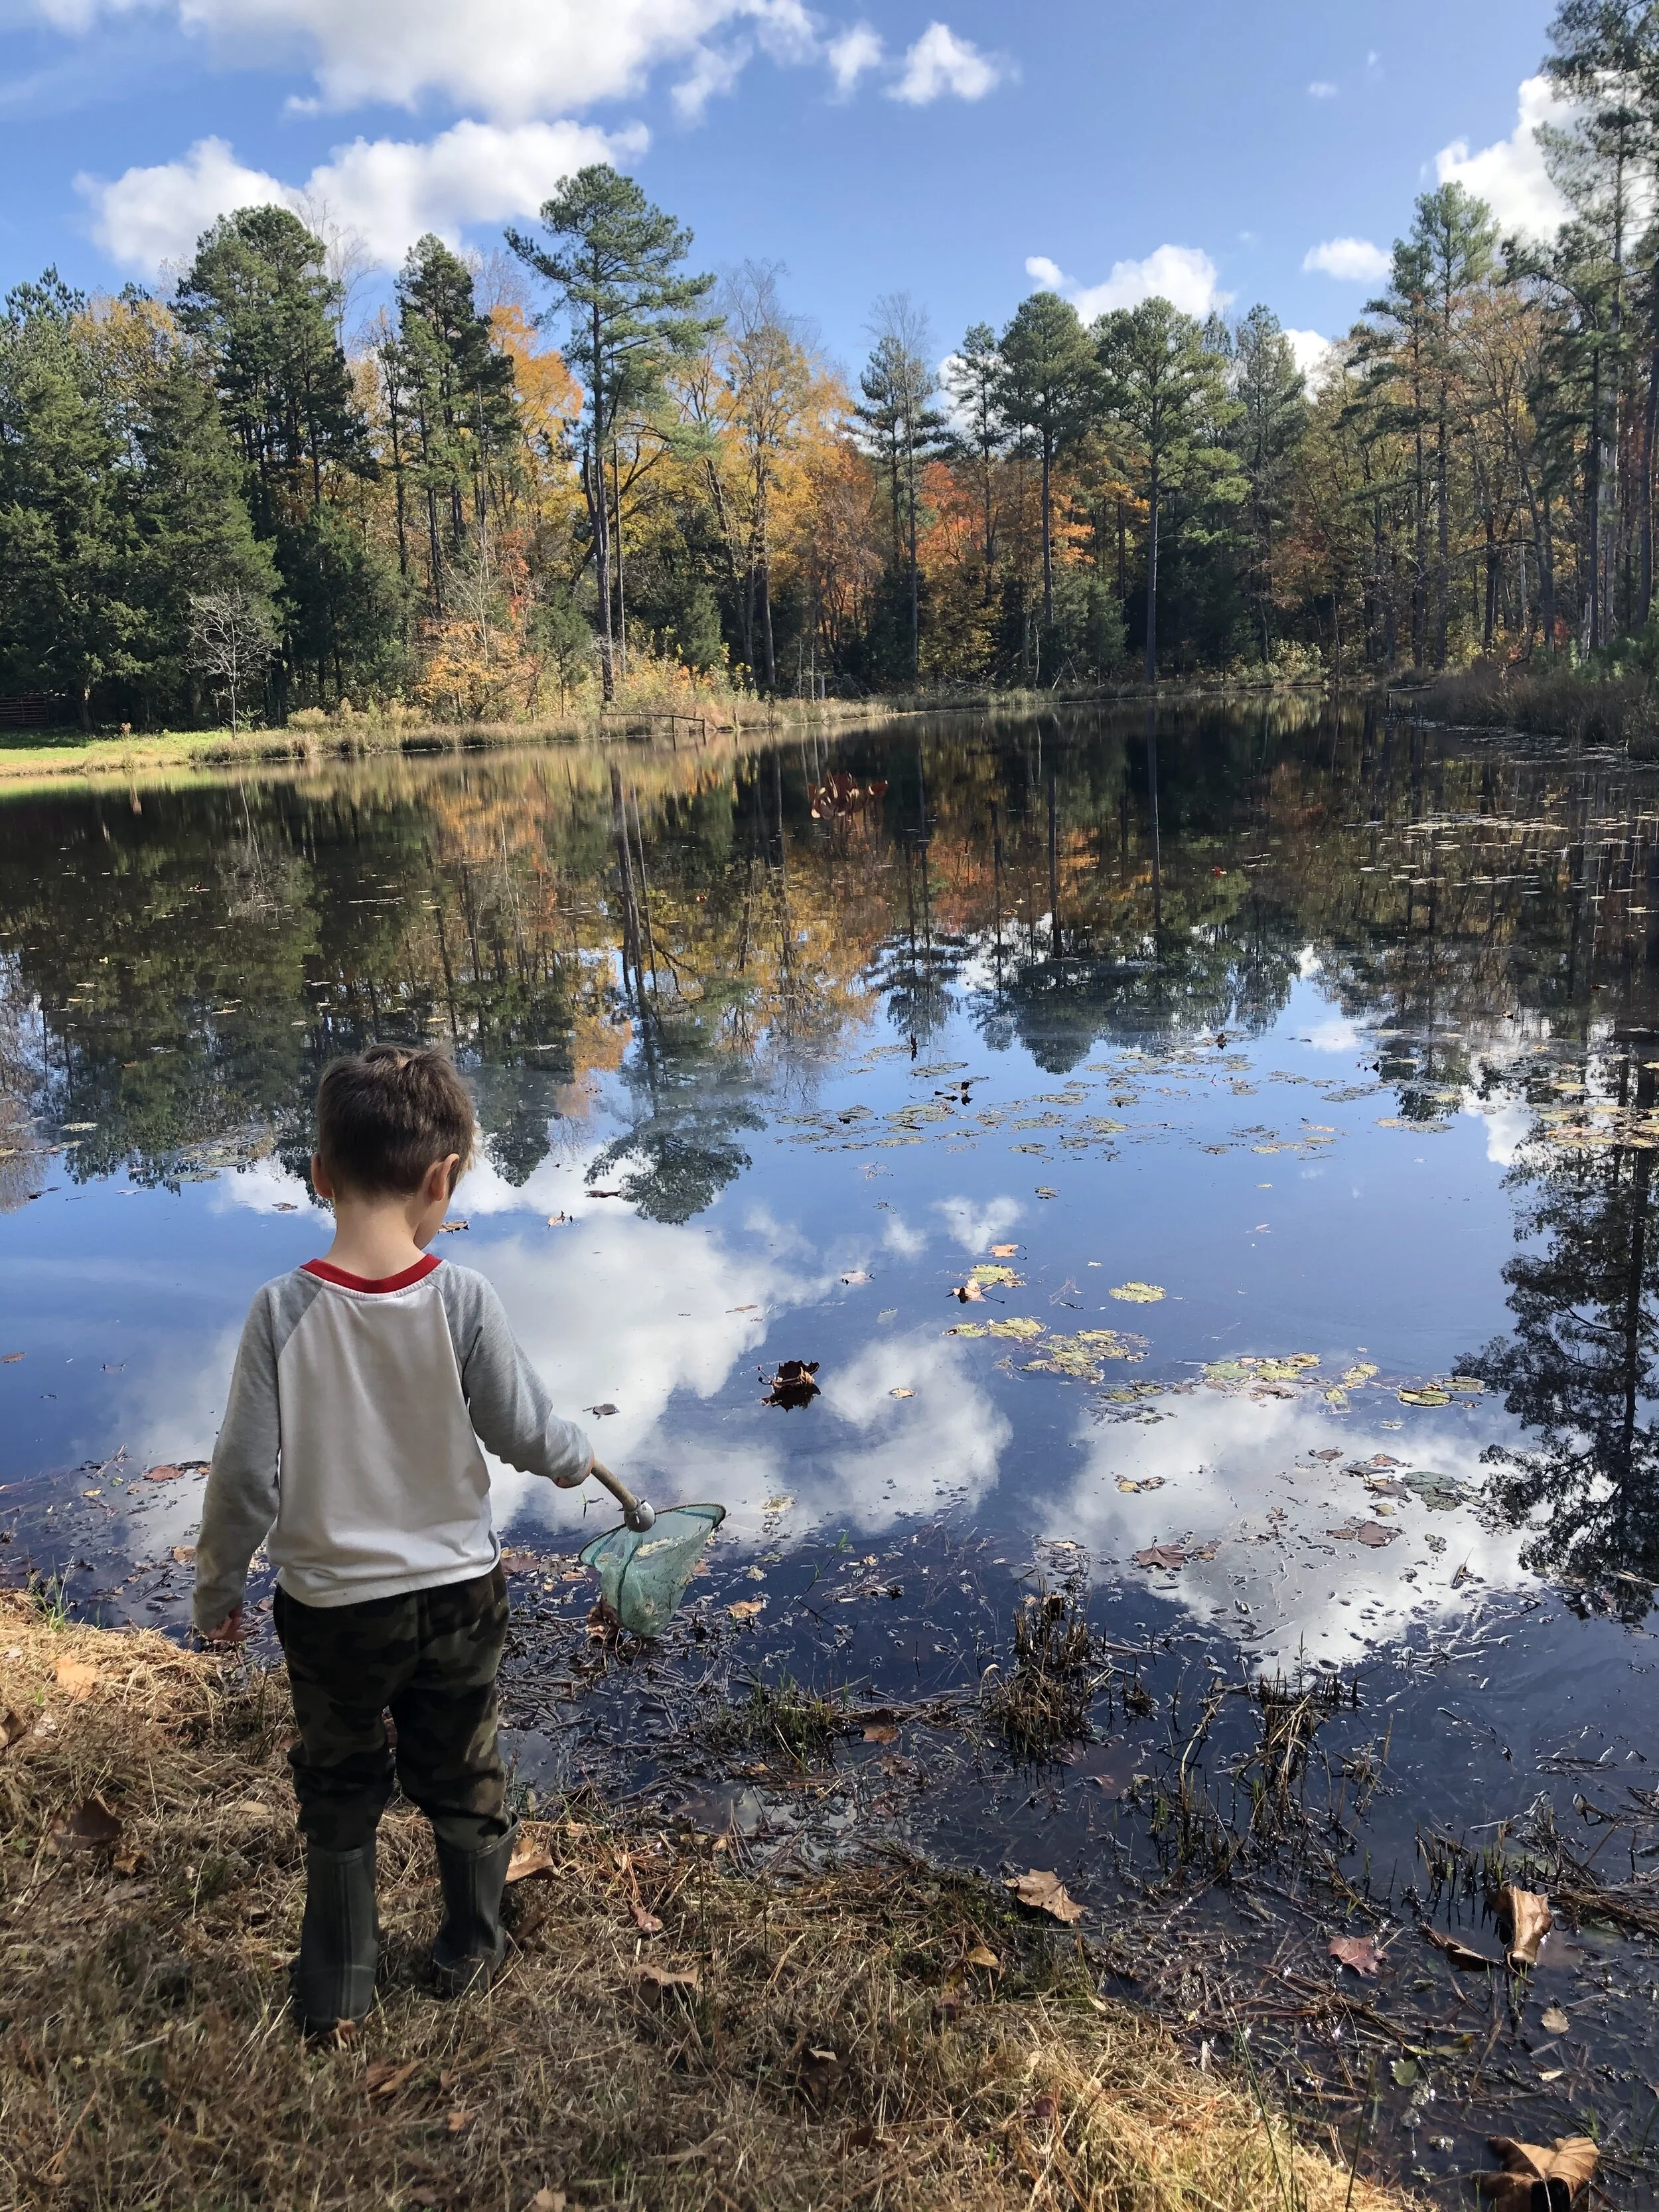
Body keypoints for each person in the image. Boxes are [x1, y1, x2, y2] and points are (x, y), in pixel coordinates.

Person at [191, 1045, 593, 2033]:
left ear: (320, 1175)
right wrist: (576, 1457)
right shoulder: (462, 1302)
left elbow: (245, 1479)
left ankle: (338, 1979)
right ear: (440, 1179)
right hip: (458, 1598)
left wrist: (217, 1591)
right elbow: (525, 1429)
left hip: (329, 1612)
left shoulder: (281, 1312)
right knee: (461, 1764)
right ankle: (469, 1947)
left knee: (337, 1778)